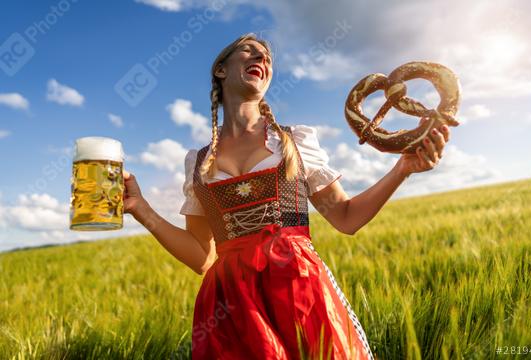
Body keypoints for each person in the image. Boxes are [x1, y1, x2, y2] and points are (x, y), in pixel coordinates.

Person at [122, 33, 451, 360]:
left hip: (298, 289)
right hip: (231, 305)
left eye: (267, 58)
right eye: (250, 52)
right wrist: (141, 209)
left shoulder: (293, 141)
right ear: (221, 70)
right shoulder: (198, 162)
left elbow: (346, 218)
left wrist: (402, 169)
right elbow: (201, 258)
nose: (262, 60)